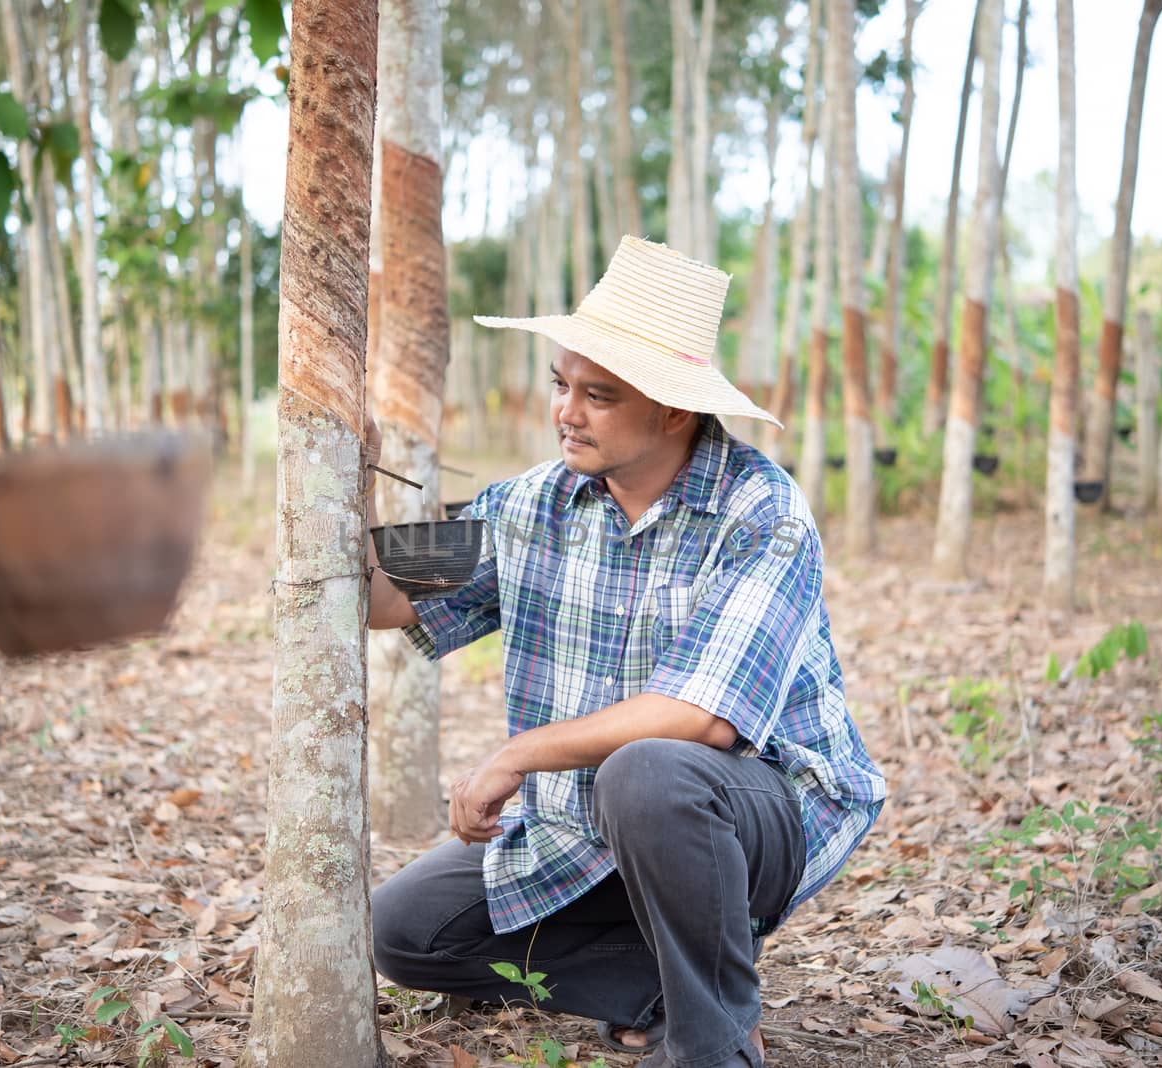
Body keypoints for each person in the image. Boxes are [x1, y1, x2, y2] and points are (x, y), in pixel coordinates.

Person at [364, 237, 886, 1068]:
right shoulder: (532, 503)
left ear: (674, 410)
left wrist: (517, 754)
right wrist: (348, 481)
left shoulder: (761, 512)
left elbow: (704, 719)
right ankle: (670, 985)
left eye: (598, 395)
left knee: (650, 770)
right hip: (580, 825)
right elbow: (387, 597)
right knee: (403, 932)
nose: (567, 411)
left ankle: (712, 1043)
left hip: (753, 815)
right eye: (561, 384)